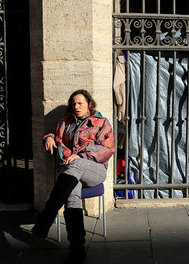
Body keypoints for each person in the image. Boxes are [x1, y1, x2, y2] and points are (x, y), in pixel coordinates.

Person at [32, 89, 115, 263]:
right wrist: (48, 137)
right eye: (74, 103)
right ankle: (77, 247)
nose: (76, 107)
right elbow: (56, 137)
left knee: (75, 164)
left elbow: (108, 149)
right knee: (72, 195)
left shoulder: (101, 122)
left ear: (89, 104)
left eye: (80, 103)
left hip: (95, 170)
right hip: (71, 175)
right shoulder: (66, 122)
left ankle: (48, 215)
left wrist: (81, 156)